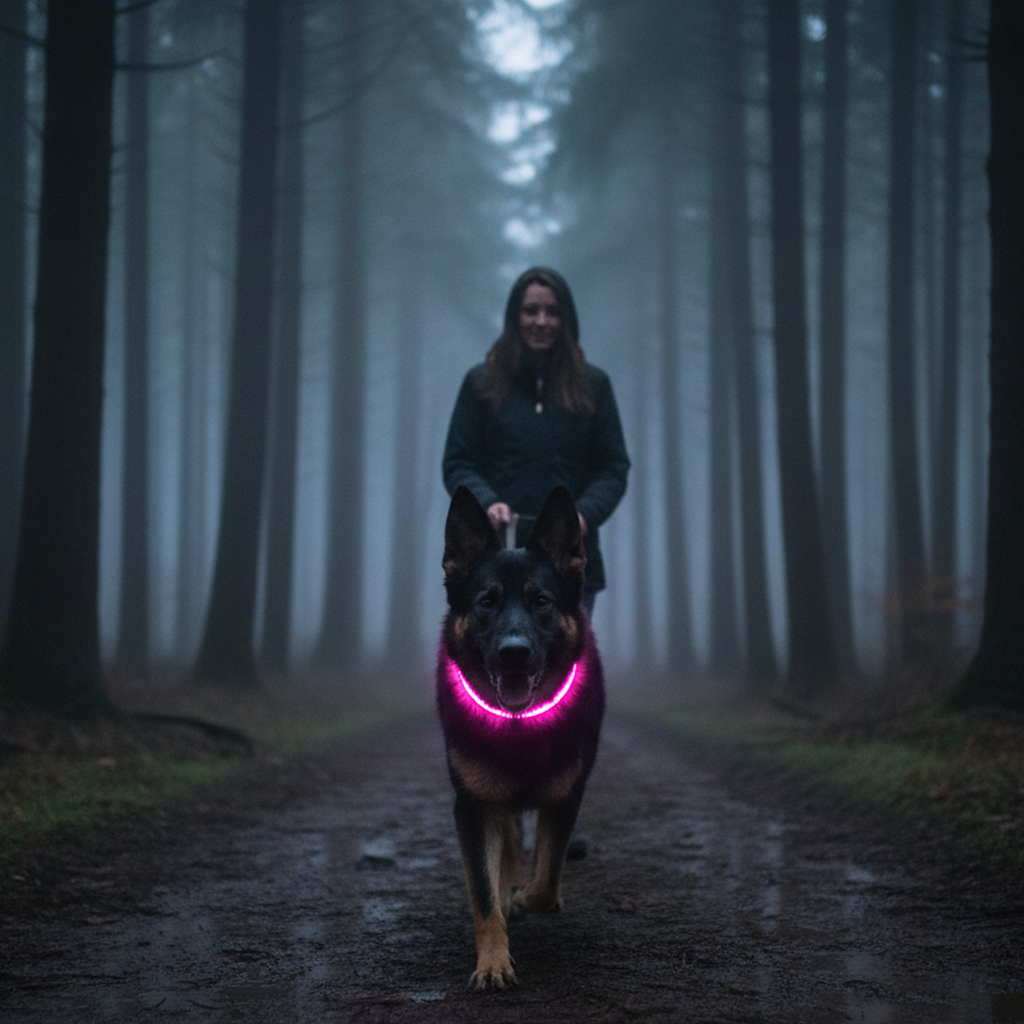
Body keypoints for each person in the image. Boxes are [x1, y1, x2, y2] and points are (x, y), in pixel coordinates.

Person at [442, 266, 630, 615]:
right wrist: (487, 502)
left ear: (566, 318)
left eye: (552, 311)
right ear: (515, 317)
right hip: (494, 566)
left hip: (571, 566)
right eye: (531, 310)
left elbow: (613, 467)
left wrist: (583, 515)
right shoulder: (481, 385)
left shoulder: (594, 386)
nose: (541, 321)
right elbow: (458, 461)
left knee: (569, 669)